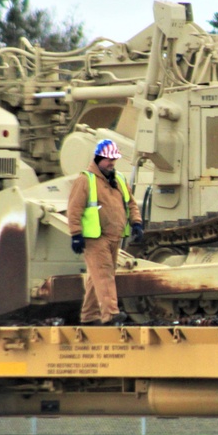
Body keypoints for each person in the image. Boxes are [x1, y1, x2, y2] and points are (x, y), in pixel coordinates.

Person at [67, 139, 143, 324]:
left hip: (115, 236)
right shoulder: (85, 180)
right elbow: (74, 209)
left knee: (97, 276)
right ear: (98, 159)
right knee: (105, 273)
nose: (112, 163)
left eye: (114, 159)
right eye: (108, 160)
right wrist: (76, 234)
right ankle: (111, 314)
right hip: (95, 238)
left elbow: (131, 203)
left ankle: (89, 316)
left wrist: (137, 223)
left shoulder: (119, 179)